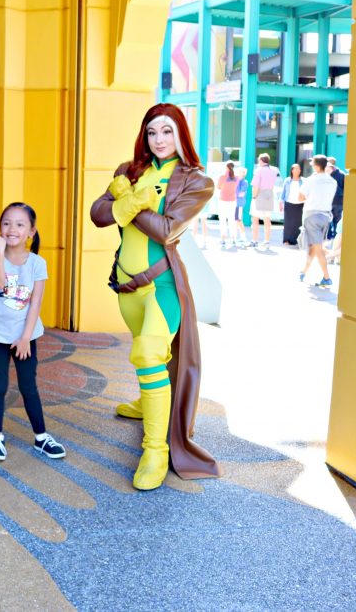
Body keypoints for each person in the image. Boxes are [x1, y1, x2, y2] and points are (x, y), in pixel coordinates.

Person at [90, 103, 220, 491]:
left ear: (180, 133)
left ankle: (156, 450)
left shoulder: (197, 181)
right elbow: (98, 214)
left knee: (148, 352)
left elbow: (166, 230)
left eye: (167, 131)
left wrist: (127, 203)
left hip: (161, 286)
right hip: (125, 288)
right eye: (152, 132)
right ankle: (147, 402)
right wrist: (128, 198)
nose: (159, 140)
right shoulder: (128, 171)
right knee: (148, 356)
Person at [0, 203, 66, 463]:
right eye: (6, 223)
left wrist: (25, 337)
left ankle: (41, 437)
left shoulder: (37, 263)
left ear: (31, 231)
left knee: (28, 386)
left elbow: (36, 303)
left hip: (26, 336)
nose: (12, 229)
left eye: (20, 224)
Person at [298, 155, 338, 287]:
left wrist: (310, 198)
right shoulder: (332, 181)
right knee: (313, 247)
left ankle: (327, 277)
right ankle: (303, 271)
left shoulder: (310, 180)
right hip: (326, 216)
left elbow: (300, 198)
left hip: (311, 215)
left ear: (316, 166)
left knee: (317, 248)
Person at [249, 153, 279, 249]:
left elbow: (255, 186)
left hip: (259, 195)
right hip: (269, 195)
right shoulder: (274, 170)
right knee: (267, 219)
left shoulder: (258, 170)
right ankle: (266, 241)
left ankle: (254, 240)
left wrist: (254, 196)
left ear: (261, 161)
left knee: (255, 219)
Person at [279, 162, 305, 246]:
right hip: (289, 203)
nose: (298, 170)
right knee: (288, 223)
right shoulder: (287, 180)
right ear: (292, 170)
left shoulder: (304, 180)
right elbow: (283, 192)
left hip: (300, 204)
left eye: (299, 168)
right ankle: (287, 240)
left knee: (298, 223)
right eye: (296, 168)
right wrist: (280, 202)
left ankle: (297, 240)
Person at [216, 161, 239, 249]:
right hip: (233, 200)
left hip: (223, 200)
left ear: (226, 167)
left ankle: (223, 239)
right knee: (232, 220)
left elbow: (218, 187)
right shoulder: (236, 178)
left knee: (222, 219)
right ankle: (233, 238)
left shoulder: (222, 177)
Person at [326, 156, 346, 239]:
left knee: (337, 220)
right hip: (328, 201)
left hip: (338, 202)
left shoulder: (341, 175)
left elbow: (345, 188)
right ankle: (329, 236)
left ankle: (336, 237)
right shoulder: (326, 174)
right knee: (328, 220)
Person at [234, 166, 250, 246]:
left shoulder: (245, 182)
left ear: (243, 173)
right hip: (234, 203)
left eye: (240, 171)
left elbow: (241, 194)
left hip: (239, 203)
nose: (237, 173)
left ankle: (243, 238)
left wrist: (234, 194)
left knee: (238, 220)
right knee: (236, 220)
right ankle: (237, 237)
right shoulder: (236, 181)